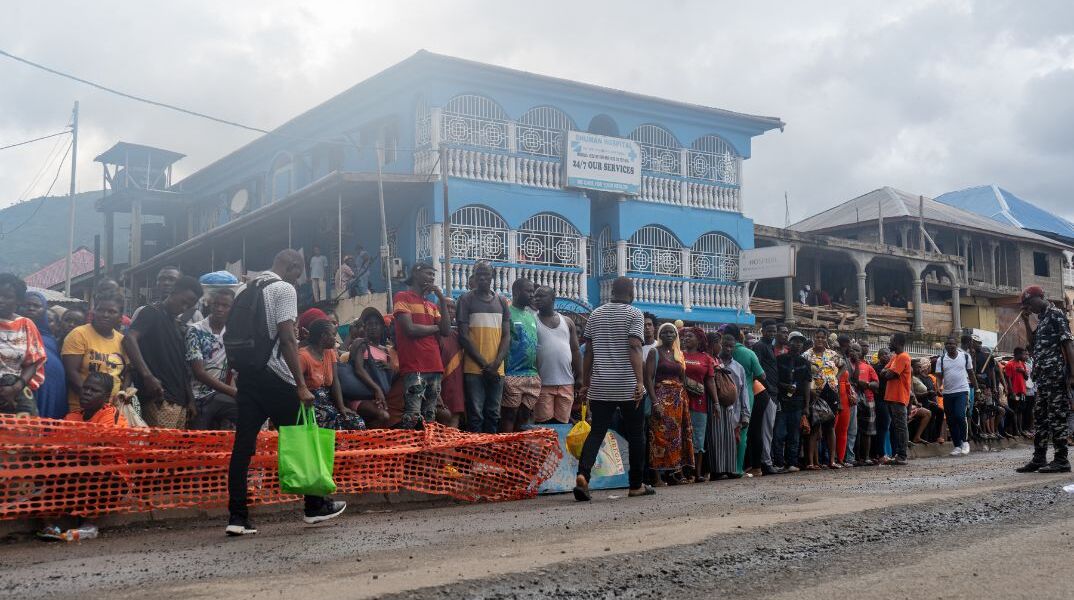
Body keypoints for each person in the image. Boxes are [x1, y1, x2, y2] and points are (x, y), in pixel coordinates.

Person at [227, 249, 347, 536]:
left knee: (242, 448)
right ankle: (314, 506)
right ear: (294, 267)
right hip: (276, 378)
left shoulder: (246, 287)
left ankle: (237, 517)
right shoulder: (283, 289)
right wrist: (301, 385)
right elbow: (287, 338)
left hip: (248, 377)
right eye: (299, 273)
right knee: (302, 438)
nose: (298, 278)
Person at [573, 277, 652, 501]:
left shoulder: (596, 314)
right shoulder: (634, 314)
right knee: (637, 435)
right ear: (631, 292)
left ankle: (583, 475)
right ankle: (636, 485)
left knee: (596, 432)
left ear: (612, 292)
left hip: (600, 385)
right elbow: (635, 346)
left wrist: (586, 383)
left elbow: (588, 352)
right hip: (627, 385)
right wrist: (639, 381)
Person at [124, 276, 203, 428]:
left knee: (172, 449)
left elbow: (182, 366)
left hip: (180, 400)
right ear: (174, 291)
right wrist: (147, 376)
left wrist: (190, 399)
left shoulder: (177, 324)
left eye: (190, 305)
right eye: (184, 302)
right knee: (159, 448)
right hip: (159, 397)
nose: (184, 308)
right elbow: (129, 339)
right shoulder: (151, 312)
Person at [1017, 285, 1074, 473]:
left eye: (1028, 303)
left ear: (1038, 297)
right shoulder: (1041, 320)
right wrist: (1026, 321)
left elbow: (1067, 344)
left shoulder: (1056, 314)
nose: (1028, 307)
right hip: (1042, 376)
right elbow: (1032, 346)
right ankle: (1039, 458)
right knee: (1040, 418)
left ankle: (1061, 460)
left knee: (1056, 417)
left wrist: (1072, 374)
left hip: (1056, 375)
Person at [392, 262, 450, 429]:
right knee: (413, 415)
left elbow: (445, 330)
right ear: (416, 273)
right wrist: (435, 327)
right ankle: (409, 453)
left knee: (430, 416)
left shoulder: (432, 305)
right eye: (428, 273)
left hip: (435, 366)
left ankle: (425, 453)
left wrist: (442, 300)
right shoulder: (402, 297)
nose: (432, 277)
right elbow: (410, 329)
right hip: (414, 366)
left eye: (433, 274)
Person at [457, 262, 511, 434]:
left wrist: (495, 364)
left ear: (492, 276)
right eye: (478, 274)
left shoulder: (502, 301)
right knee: (475, 415)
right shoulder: (465, 299)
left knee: (493, 414)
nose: (482, 277)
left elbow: (506, 336)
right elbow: (463, 336)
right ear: (473, 276)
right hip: (474, 368)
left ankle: (490, 454)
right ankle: (475, 455)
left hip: (497, 368)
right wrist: (484, 365)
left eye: (486, 274)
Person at [61, 293, 128, 415]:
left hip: (112, 411)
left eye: (112, 311)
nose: (105, 315)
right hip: (82, 409)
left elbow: (128, 372)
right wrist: (94, 401)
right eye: (100, 310)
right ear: (94, 312)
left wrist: (122, 395)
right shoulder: (79, 334)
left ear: (120, 317)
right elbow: (71, 372)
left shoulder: (122, 341)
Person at [644, 323, 694, 484]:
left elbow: (683, 379)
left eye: (672, 332)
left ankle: (674, 473)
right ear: (660, 335)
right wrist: (655, 402)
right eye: (664, 332)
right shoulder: (654, 352)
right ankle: (657, 477)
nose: (669, 335)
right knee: (658, 438)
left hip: (678, 402)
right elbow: (648, 379)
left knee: (677, 438)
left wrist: (685, 400)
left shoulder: (679, 354)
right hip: (661, 399)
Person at [186, 288, 238, 430]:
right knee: (197, 442)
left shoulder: (232, 332)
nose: (219, 309)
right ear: (210, 305)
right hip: (197, 396)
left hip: (220, 395)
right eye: (216, 304)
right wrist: (233, 392)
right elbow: (199, 372)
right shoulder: (196, 330)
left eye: (225, 306)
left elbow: (230, 370)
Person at [300, 319, 365, 430]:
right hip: (309, 406)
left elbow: (335, 381)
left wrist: (341, 407)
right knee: (332, 421)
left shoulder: (329, 352)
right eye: (333, 335)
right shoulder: (303, 356)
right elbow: (295, 385)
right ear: (323, 336)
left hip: (328, 403)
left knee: (357, 422)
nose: (335, 339)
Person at [532, 286, 581, 425]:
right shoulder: (532, 321)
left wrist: (581, 376)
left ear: (553, 299)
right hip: (543, 384)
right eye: (536, 296)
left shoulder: (567, 321)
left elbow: (576, 351)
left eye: (541, 296)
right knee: (544, 426)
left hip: (566, 383)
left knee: (563, 424)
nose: (537, 299)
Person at [0, 274, 46, 417]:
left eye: (7, 296)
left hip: (16, 386)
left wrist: (15, 388)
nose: (1, 300)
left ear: (18, 300)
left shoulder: (26, 325)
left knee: (26, 430)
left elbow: (33, 362)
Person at [500, 278, 540, 433]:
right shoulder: (508, 313)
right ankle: (506, 452)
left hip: (531, 374)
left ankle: (519, 451)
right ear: (516, 292)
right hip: (512, 374)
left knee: (524, 416)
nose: (532, 295)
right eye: (528, 291)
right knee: (509, 416)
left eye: (533, 291)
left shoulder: (531, 316)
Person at [342, 307, 394, 428]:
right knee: (383, 416)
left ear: (382, 328)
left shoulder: (386, 350)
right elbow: (359, 369)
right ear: (364, 327)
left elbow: (390, 377)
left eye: (376, 324)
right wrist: (377, 389)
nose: (373, 327)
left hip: (378, 398)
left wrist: (389, 367)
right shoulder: (360, 343)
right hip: (360, 396)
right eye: (369, 324)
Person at [725, 324, 763, 475]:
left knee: (724, 431)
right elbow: (762, 375)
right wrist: (749, 377)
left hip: (723, 394)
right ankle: (738, 468)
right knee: (742, 432)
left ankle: (724, 467)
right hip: (745, 396)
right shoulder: (749, 353)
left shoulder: (720, 350)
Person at [682, 327, 719, 482]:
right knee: (681, 436)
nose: (686, 338)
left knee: (698, 437)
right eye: (684, 336)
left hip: (699, 403)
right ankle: (682, 473)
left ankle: (697, 473)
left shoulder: (706, 359)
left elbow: (710, 381)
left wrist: (716, 402)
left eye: (690, 336)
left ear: (699, 339)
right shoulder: (678, 355)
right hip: (680, 401)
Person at [22, 290, 67, 419]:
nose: (31, 308)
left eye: (37, 306)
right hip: (26, 386)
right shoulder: (15, 332)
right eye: (27, 304)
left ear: (44, 310)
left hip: (52, 388)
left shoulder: (51, 338)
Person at [802, 329, 842, 470]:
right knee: (815, 427)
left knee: (830, 427)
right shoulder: (807, 355)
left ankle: (832, 460)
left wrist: (835, 378)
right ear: (814, 338)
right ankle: (811, 462)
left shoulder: (832, 354)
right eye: (817, 337)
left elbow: (842, 365)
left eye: (822, 337)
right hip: (815, 393)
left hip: (831, 392)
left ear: (826, 339)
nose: (820, 340)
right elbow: (803, 374)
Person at [713, 332, 750, 479]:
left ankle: (731, 469)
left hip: (735, 410)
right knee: (718, 441)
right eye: (725, 346)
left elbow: (743, 392)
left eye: (731, 347)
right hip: (718, 408)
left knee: (732, 441)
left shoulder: (739, 368)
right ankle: (717, 471)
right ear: (720, 346)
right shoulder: (714, 363)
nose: (728, 349)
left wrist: (745, 415)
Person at [774, 331, 811, 472]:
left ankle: (792, 463)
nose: (798, 344)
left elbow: (807, 383)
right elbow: (774, 380)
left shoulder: (805, 362)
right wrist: (785, 386)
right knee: (779, 434)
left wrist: (806, 406)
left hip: (798, 403)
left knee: (794, 435)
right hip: (782, 402)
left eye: (800, 341)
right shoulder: (780, 359)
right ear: (789, 343)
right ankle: (778, 463)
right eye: (795, 341)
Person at [936, 334, 976, 456]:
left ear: (956, 345)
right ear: (945, 346)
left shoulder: (965, 356)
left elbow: (971, 373)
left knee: (960, 415)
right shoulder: (941, 359)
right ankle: (957, 445)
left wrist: (977, 389)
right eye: (948, 344)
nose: (950, 346)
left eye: (952, 344)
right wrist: (938, 387)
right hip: (947, 393)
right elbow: (939, 376)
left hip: (962, 391)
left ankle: (965, 442)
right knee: (951, 420)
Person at [749, 319, 780, 475]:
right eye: (769, 331)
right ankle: (765, 462)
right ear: (762, 331)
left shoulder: (770, 346)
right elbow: (758, 371)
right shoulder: (760, 346)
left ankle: (766, 460)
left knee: (768, 428)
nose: (772, 333)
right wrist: (768, 388)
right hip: (765, 393)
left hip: (773, 393)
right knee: (765, 429)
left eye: (774, 331)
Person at [880, 333, 913, 466]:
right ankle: (898, 454)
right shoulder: (895, 357)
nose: (889, 343)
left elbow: (888, 374)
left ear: (898, 343)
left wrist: (887, 372)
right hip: (892, 397)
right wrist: (887, 372)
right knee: (897, 427)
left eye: (891, 341)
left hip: (898, 397)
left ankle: (902, 455)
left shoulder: (903, 357)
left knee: (900, 427)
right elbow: (883, 372)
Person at [132, 266, 203, 325]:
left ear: (181, 285)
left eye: (172, 279)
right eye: (161, 279)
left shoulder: (194, 315)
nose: (166, 283)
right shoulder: (143, 311)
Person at [438, 298, 466, 427]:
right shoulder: (432, 331)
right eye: (446, 306)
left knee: (455, 416)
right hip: (438, 383)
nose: (449, 310)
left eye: (452, 307)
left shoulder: (460, 334)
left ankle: (450, 448)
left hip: (456, 382)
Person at [850, 342, 879, 466]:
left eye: (857, 350)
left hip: (868, 399)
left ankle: (866, 457)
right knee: (854, 430)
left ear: (861, 353)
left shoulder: (868, 367)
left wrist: (866, 384)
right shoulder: (847, 365)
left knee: (868, 430)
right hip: (853, 400)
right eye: (853, 350)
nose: (854, 353)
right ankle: (855, 457)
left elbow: (876, 384)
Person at [1003, 347, 1029, 438]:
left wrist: (1022, 371)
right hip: (1014, 391)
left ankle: (1020, 429)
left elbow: (1026, 377)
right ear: (1017, 354)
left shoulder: (1022, 364)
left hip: (1022, 391)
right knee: (1014, 410)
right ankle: (1016, 430)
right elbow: (1008, 379)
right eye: (1022, 354)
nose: (1024, 356)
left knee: (1020, 411)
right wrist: (1012, 392)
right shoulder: (1010, 364)